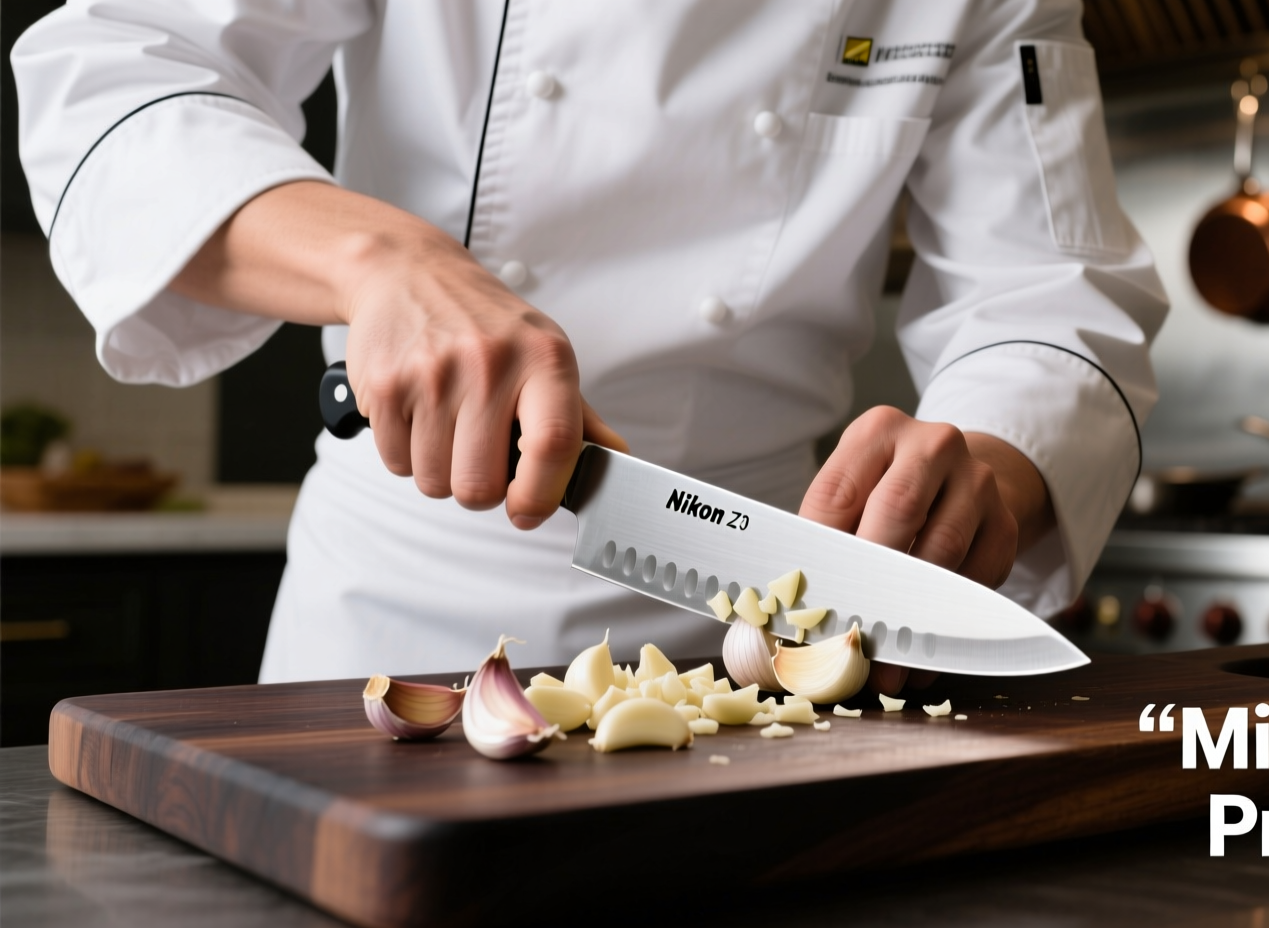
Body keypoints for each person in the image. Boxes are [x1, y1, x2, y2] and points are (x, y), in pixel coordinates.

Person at [13, 2, 1167, 688]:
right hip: (400, 618)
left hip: (769, 628)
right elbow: (116, 68)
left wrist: (977, 469)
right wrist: (383, 264)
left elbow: (1049, 285)